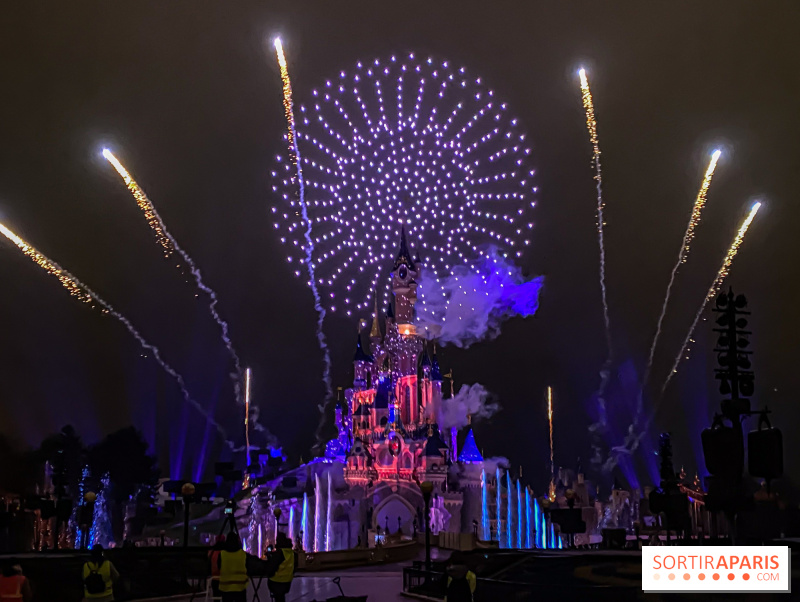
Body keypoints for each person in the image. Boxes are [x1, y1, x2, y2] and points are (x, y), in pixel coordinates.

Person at [265, 532, 295, 602]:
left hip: (276, 582)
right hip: (287, 582)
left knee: (278, 597)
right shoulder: (291, 552)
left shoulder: (279, 554)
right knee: (280, 597)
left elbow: (271, 567)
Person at [218, 534, 249, 602]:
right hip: (240, 588)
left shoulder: (222, 554)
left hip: (225, 588)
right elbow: (248, 566)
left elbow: (219, 567)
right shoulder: (243, 554)